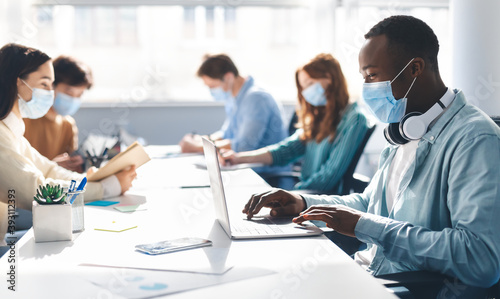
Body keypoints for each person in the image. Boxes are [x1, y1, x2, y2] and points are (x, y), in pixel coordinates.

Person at [241, 16, 500, 295]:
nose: (367, 87)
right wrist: (302, 202)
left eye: (372, 75)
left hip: (403, 287)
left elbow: (480, 259)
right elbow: (368, 203)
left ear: (415, 68)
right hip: (369, 273)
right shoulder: (404, 128)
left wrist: (367, 227)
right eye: (363, 77)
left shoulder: (474, 139)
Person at [0, 43, 137, 250]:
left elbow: (49, 169)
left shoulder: (12, 131)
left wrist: (85, 181)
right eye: (45, 85)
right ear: (18, 83)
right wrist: (107, 188)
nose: (49, 93)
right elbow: (36, 190)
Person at [221, 53, 370, 193]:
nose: (305, 92)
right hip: (304, 194)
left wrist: (292, 196)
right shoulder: (321, 115)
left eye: (310, 83)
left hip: (321, 202)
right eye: (303, 87)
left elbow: (328, 177)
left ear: (330, 78)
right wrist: (238, 158)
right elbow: (284, 151)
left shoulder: (354, 119)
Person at [179, 54, 287, 153]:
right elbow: (226, 134)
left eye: (212, 86)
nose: (211, 91)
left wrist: (196, 148)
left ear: (229, 77)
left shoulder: (256, 98)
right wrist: (200, 140)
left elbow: (244, 145)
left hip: (265, 172)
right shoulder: (235, 98)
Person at [24, 55, 92, 172]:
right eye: (69, 91)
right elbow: (14, 170)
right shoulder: (26, 118)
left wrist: (78, 164)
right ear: (51, 85)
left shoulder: (68, 125)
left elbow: (69, 171)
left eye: (79, 94)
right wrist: (51, 167)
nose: (73, 99)